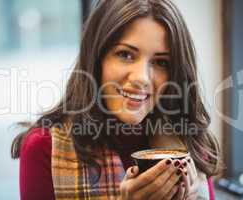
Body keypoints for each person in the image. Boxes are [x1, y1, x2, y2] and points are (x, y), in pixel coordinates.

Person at [11, 0, 222, 199]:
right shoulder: (44, 147)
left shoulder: (189, 140)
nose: (141, 78)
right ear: (96, 58)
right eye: (126, 54)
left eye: (161, 62)